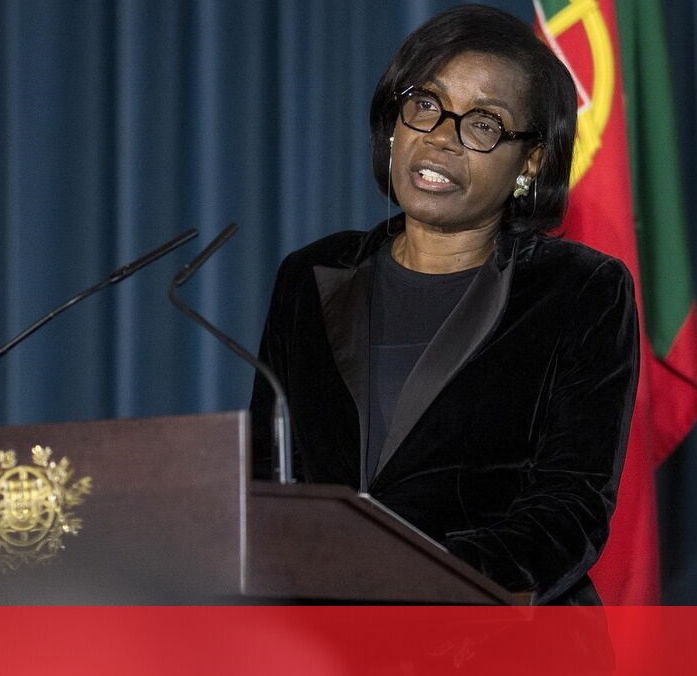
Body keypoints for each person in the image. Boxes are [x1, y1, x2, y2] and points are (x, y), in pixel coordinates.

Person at [249, 4, 638, 605]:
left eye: (483, 124)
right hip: (327, 636)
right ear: (394, 122)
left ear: (530, 160)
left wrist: (416, 580)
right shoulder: (311, 275)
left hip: (498, 635)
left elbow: (570, 509)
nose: (439, 137)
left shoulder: (580, 290)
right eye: (426, 104)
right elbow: (267, 480)